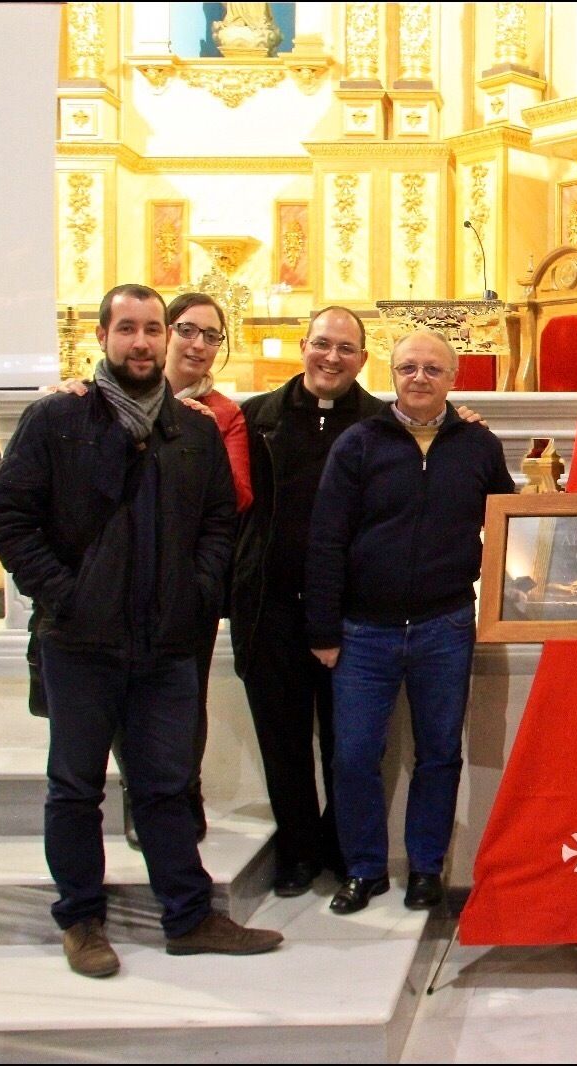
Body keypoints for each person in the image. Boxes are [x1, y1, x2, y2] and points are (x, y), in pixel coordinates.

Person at [0, 283, 283, 977]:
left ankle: (187, 914)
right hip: (80, 643)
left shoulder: (195, 428)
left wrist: (198, 593)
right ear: (104, 337)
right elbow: (9, 515)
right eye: (129, 329)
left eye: (153, 329)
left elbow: (218, 520)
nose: (143, 342)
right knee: (76, 786)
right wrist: (65, 594)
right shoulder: (56, 420)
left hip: (168, 642)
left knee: (167, 782)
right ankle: (82, 920)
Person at [307, 329, 515, 914]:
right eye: (407, 368)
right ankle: (365, 869)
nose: (419, 378)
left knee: (440, 753)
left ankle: (426, 868)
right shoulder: (358, 444)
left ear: (453, 379)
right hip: (361, 631)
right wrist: (323, 629)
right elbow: (325, 539)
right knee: (353, 756)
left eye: (432, 369)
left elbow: (504, 528)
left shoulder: (478, 446)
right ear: (391, 374)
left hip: (444, 625)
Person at [46, 292, 255, 845]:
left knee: (179, 711)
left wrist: (199, 586)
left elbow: (226, 502)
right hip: (92, 608)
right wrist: (66, 592)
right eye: (187, 330)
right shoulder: (78, 407)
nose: (197, 345)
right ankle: (91, 896)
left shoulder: (216, 418)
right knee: (84, 762)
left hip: (176, 597)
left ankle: (180, 798)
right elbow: (22, 511)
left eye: (211, 337)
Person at [231, 305, 385, 898]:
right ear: (303, 345)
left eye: (346, 349)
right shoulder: (254, 418)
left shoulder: (381, 422)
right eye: (323, 344)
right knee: (283, 739)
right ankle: (297, 852)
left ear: (363, 360)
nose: (331, 357)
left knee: (349, 746)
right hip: (268, 608)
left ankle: (343, 848)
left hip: (351, 614)